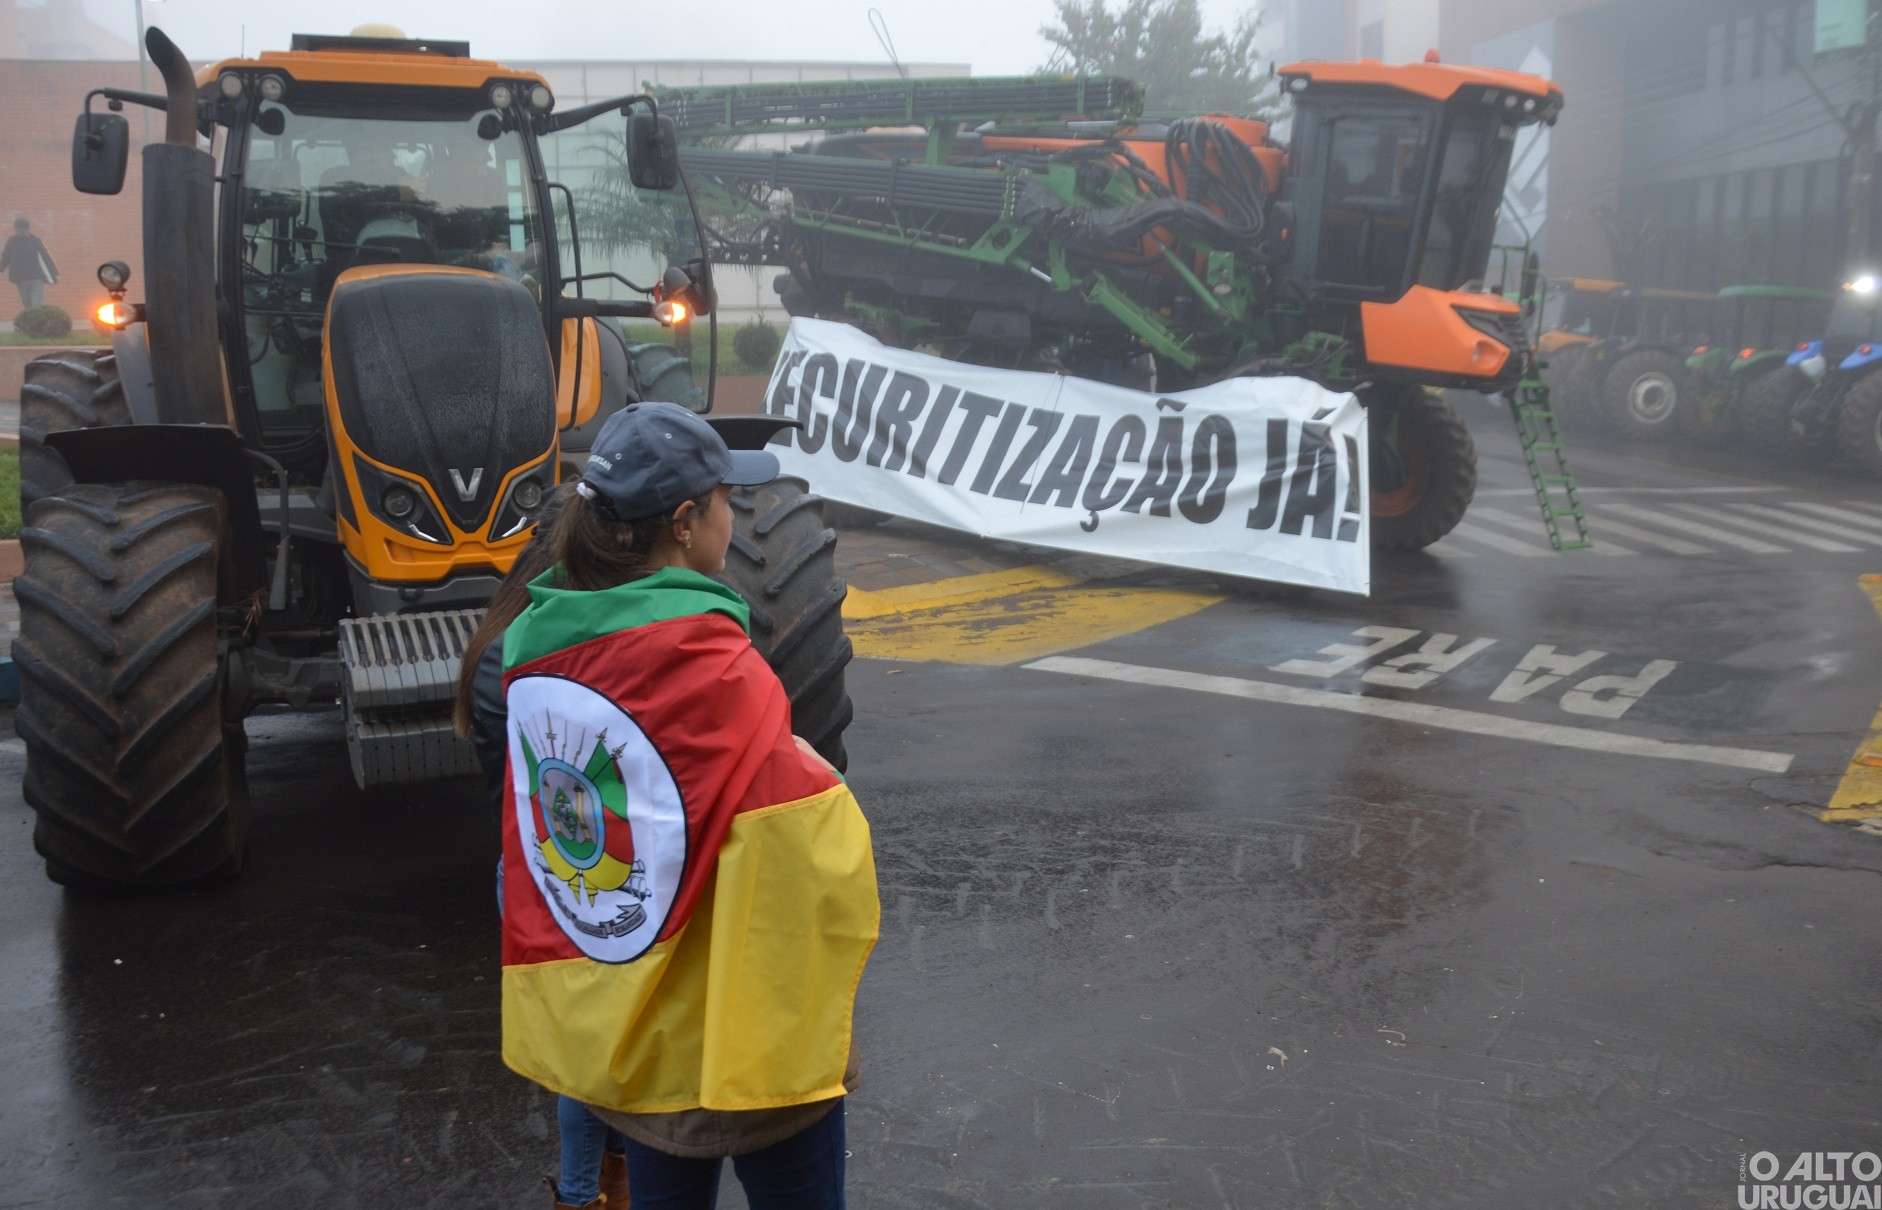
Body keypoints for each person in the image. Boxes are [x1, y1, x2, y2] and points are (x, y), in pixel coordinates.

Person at [461, 403, 878, 1208]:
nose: (736, 515)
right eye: (727, 500)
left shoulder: (537, 650)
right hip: (751, 1050)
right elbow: (813, 853)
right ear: (686, 524)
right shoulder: (710, 668)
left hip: (639, 1042)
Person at [454, 491, 632, 1210]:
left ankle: (607, 1185)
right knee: (589, 1060)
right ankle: (587, 1194)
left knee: (599, 1047)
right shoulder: (529, 652)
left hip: (535, 867)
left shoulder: (501, 636)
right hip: (560, 872)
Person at [1, 218, 58, 311]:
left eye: (23, 231)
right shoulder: (12, 242)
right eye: (19, 231)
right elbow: (5, 257)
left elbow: (46, 257)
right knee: (27, 303)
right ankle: (32, 322)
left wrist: (54, 273)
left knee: (35, 305)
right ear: (16, 230)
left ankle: (36, 322)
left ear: (28, 230)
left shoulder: (35, 241)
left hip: (36, 278)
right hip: (21, 279)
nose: (21, 233)